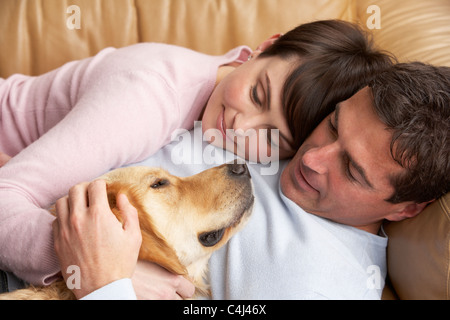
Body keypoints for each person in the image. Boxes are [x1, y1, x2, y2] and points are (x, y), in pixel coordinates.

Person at [0, 19, 394, 293]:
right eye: (258, 94)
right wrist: (113, 271)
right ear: (265, 46)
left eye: (271, 139)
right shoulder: (146, 97)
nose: (242, 128)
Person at [53, 61, 450, 299]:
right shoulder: (285, 129)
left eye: (351, 170)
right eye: (332, 125)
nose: (310, 158)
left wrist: (106, 285)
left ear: (406, 208)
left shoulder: (319, 285)